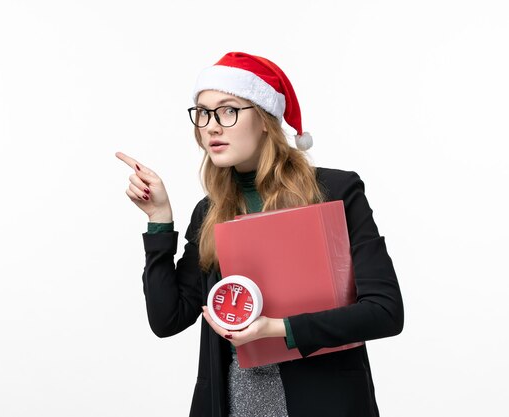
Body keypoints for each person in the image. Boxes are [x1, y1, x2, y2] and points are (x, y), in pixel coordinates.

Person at [116, 52, 404, 417]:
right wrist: (159, 219)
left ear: (266, 120)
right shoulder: (209, 211)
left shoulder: (336, 191)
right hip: (235, 403)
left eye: (228, 110)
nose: (211, 127)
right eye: (203, 113)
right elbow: (168, 319)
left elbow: (385, 312)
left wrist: (279, 329)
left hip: (323, 400)